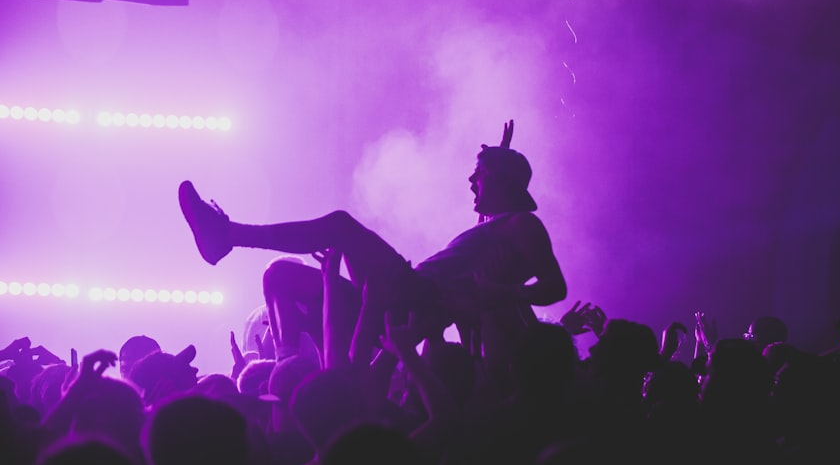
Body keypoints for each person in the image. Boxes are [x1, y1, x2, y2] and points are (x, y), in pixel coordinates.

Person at [177, 121, 567, 379]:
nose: (470, 180)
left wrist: (505, 294)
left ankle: (227, 235)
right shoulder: (496, 224)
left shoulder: (523, 225)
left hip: (417, 296)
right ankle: (287, 371)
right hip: (401, 297)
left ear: (498, 180)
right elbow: (491, 225)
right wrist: (500, 154)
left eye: (479, 174)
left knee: (341, 226)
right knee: (279, 275)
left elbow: (555, 287)